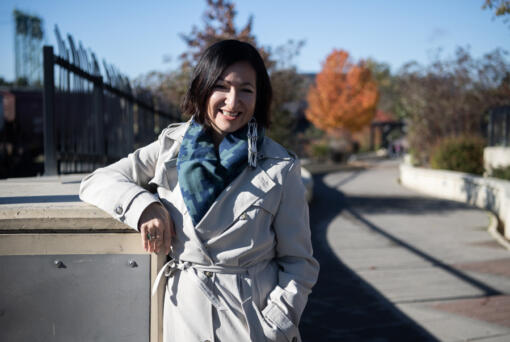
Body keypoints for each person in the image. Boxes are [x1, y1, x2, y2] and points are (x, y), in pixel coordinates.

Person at [79, 39, 319, 342]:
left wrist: (275, 324)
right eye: (222, 86)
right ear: (202, 87)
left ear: (259, 98)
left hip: (251, 324)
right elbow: (97, 181)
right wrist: (145, 206)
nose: (233, 102)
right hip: (184, 317)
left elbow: (300, 262)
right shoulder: (170, 148)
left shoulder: (279, 166)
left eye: (246, 90)